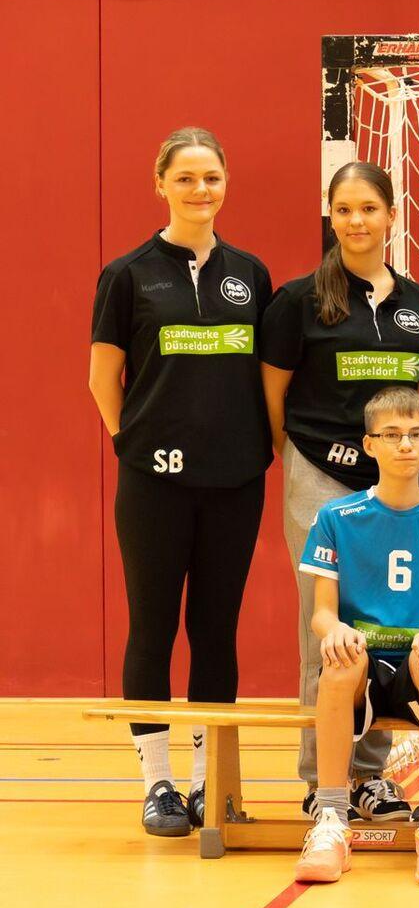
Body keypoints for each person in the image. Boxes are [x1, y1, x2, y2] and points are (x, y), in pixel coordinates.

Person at [88, 126, 273, 837]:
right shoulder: (128, 274)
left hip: (235, 480)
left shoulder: (249, 274)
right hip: (154, 482)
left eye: (212, 178)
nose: (201, 190)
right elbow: (103, 376)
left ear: (226, 184)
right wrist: (129, 443)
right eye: (186, 177)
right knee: (154, 624)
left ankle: (208, 784)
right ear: (159, 183)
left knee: (215, 630)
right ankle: (156, 782)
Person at [261, 160, 419, 824]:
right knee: (326, 635)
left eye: (369, 208)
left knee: (384, 629)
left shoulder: (418, 304)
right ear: (330, 218)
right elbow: (271, 394)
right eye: (345, 210)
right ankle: (321, 779)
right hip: (320, 477)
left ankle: (369, 778)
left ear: (391, 215)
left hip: (393, 484)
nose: (357, 221)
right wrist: (301, 461)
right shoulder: (297, 300)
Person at [291, 388, 419, 885]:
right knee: (339, 660)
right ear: (369, 445)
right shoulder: (336, 517)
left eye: (417, 435)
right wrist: (337, 633)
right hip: (364, 662)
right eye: (392, 435)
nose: (405, 446)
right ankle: (332, 818)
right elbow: (322, 614)